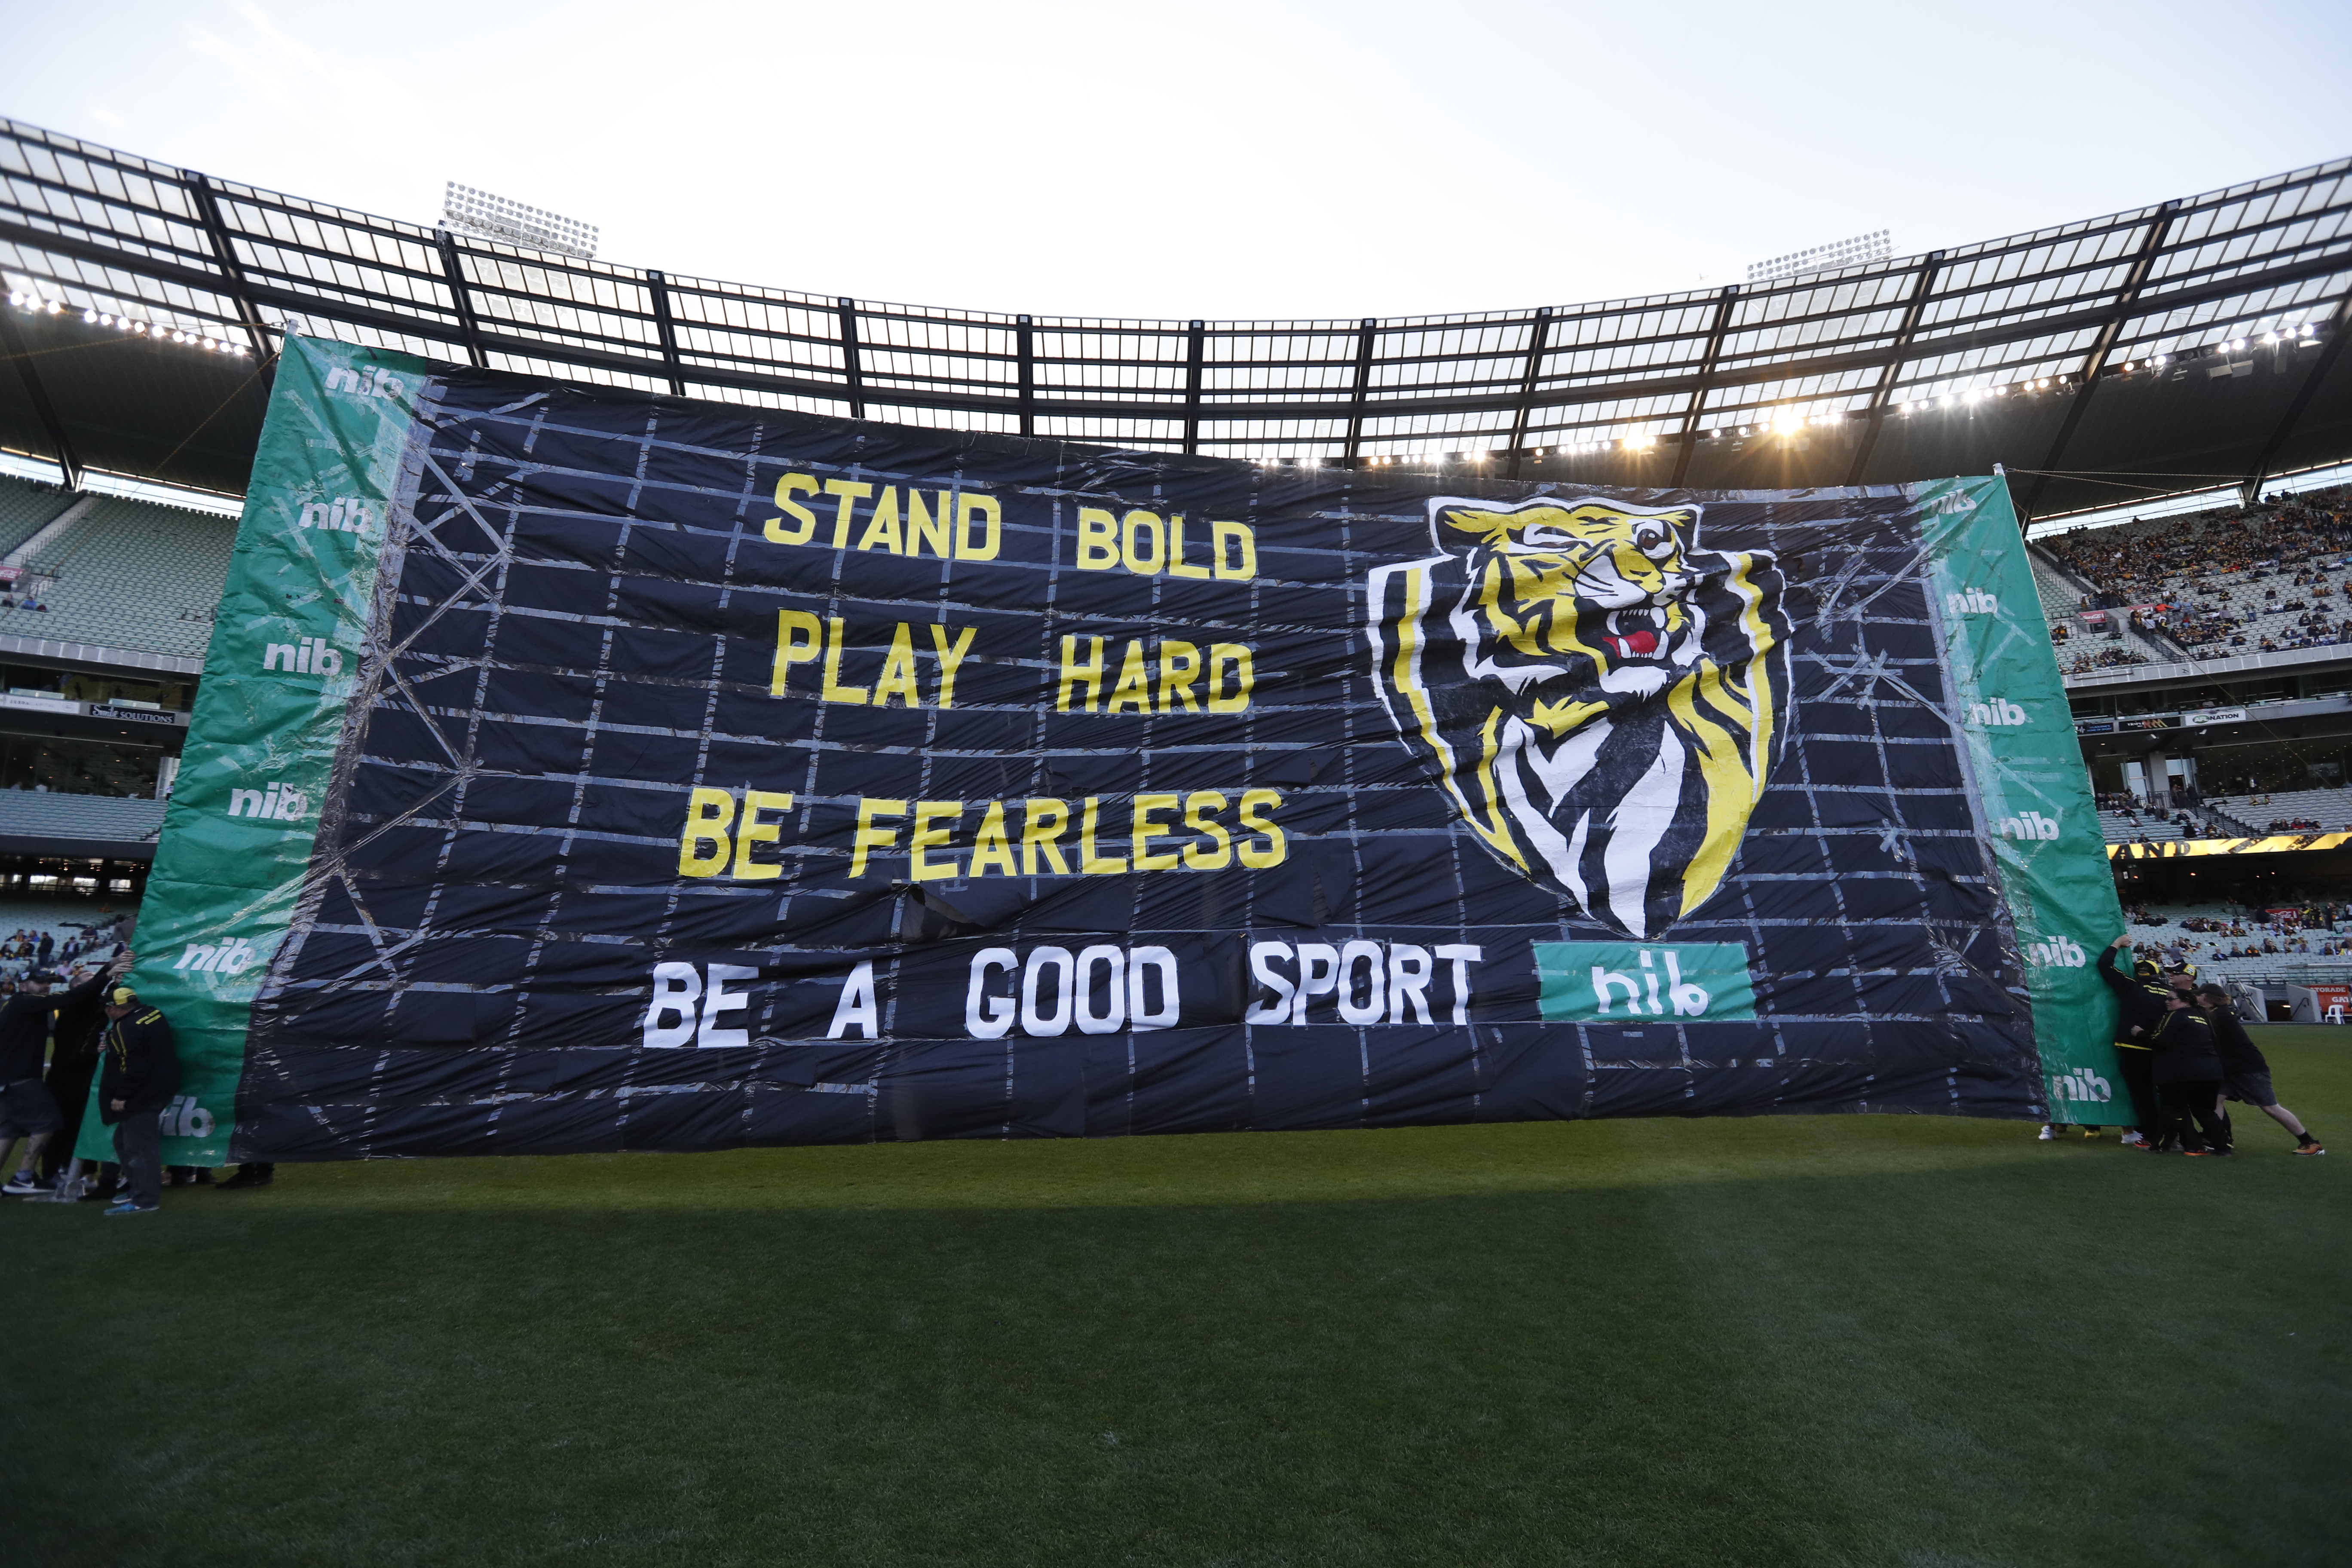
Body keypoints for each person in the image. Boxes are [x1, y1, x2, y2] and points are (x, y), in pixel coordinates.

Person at [2195, 984, 2325, 1155]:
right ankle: (2214, 1138)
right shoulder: (2219, 1013)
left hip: (2248, 1068)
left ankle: (2310, 1143)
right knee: (2216, 1100)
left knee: (2271, 1107)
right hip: (2234, 1068)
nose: (2195, 998)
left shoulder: (2219, 1016)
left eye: (2198, 996)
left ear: (2207, 998)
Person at [96, 984, 178, 1216]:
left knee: (141, 1148)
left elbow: (134, 1067)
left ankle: (145, 1200)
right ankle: (138, 1189)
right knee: (122, 1142)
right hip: (161, 1085)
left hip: (142, 1094)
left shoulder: (125, 1028)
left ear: (114, 1009)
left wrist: (122, 1096)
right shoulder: (152, 1012)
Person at [0, 968, 73, 1194]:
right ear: (22, 986)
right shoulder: (24, 1003)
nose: (46, 986)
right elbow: (71, 998)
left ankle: (22, 1178)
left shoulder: (17, 1004)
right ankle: (23, 1177)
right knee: (48, 1121)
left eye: (49, 982)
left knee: (11, 1129)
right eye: (40, 982)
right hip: (20, 1078)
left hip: (10, 1078)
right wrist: (106, 972)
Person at [2094, 935, 2168, 1146]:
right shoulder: (2171, 994)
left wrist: (2116, 943)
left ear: (2138, 973)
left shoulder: (2132, 985)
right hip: (2161, 1048)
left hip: (2132, 1047)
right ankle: (2175, 1133)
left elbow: (2104, 965)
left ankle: (2150, 1135)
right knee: (2167, 1095)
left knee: (2142, 1094)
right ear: (2157, 974)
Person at [2145, 989, 2230, 1156]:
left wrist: (2139, 1033)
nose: (2167, 1002)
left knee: (2171, 1110)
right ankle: (2224, 1148)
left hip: (2180, 1072)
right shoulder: (2204, 1018)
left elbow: (2160, 1040)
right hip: (2210, 1072)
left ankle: (2169, 1146)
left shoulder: (2175, 1016)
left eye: (2171, 999)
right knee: (2205, 1112)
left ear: (2185, 1002)